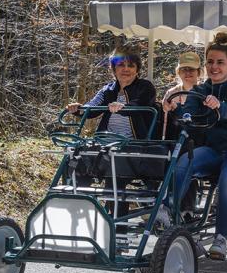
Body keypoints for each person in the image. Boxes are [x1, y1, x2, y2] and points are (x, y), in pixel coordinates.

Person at [163, 32, 227, 260]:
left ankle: (221, 238)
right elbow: (190, 114)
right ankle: (170, 214)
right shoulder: (200, 89)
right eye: (210, 62)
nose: (214, 67)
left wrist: (220, 106)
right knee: (183, 163)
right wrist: (174, 109)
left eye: (220, 62)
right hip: (213, 151)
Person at [66, 42, 158, 223]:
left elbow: (141, 103)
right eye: (121, 65)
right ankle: (80, 213)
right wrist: (78, 109)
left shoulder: (145, 87)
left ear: (137, 69)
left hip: (133, 146)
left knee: (114, 174)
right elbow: (92, 107)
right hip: (106, 144)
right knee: (77, 162)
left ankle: (118, 228)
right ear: (113, 68)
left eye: (131, 65)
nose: (126, 69)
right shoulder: (108, 90)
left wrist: (124, 107)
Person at [161, 51, 204, 220]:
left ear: (199, 72)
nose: (188, 73)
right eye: (184, 69)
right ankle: (158, 201)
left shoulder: (203, 91)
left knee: (188, 155)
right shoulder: (172, 93)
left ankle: (185, 208)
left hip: (197, 139)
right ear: (178, 72)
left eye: (192, 70)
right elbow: (164, 121)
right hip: (174, 137)